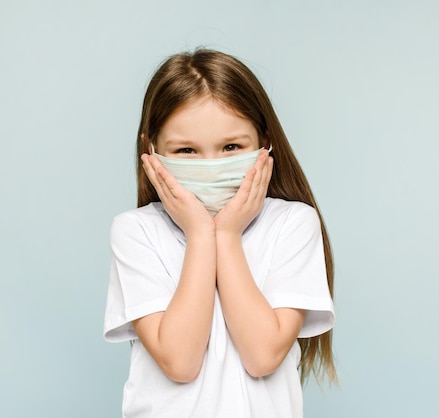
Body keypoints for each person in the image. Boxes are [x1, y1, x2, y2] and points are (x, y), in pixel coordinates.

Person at [103, 49, 336, 418]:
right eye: (186, 150)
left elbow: (262, 356)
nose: (212, 166)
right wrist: (199, 234)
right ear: (151, 151)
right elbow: (180, 362)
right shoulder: (136, 232)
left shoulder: (292, 224)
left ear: (264, 141)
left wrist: (226, 236)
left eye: (231, 147)